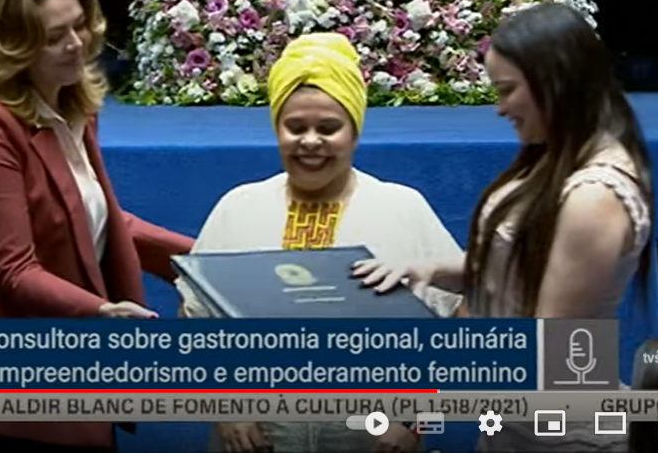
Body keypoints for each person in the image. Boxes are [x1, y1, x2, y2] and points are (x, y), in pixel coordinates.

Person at [355, 2, 654, 452]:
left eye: (507, 90)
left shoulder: (595, 198)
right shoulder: (553, 156)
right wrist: (431, 269)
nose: (499, 109)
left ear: (554, 83)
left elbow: (549, 351)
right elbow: (516, 268)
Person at [0, 0, 196, 452]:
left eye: (80, 25)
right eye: (55, 36)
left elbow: (91, 218)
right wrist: (103, 311)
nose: (76, 43)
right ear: (14, 45)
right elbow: (15, 270)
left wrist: (197, 260)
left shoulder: (74, 108)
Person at [178, 33, 465, 453]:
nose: (310, 141)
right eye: (295, 127)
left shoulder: (402, 207)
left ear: (354, 132)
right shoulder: (237, 208)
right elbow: (193, 320)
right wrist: (225, 407)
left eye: (329, 128)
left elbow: (458, 326)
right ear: (277, 129)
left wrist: (414, 420)